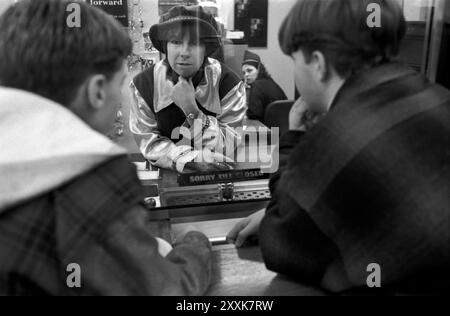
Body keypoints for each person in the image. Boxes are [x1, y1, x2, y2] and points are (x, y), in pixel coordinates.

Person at [228, 0, 450, 294]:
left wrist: (294, 138)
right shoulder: (434, 94)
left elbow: (281, 245)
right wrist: (297, 207)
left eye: (295, 60)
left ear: (318, 64)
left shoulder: (335, 135)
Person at [0, 0, 212, 296]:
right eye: (119, 84)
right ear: (97, 91)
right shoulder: (92, 176)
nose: (184, 52)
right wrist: (196, 243)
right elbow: (166, 290)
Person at [130, 5, 247, 173]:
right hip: (167, 177)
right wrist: (190, 159)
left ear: (206, 48)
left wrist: (192, 111)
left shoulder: (228, 84)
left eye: (194, 43)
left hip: (218, 177)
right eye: (176, 42)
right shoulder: (144, 86)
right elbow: (149, 142)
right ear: (165, 46)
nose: (184, 52)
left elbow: (228, 145)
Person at [242, 50, 287, 124]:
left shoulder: (256, 85)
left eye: (249, 71)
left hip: (268, 132)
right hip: (281, 129)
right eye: (244, 72)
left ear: (259, 70)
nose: (246, 75)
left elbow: (254, 115)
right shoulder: (271, 82)